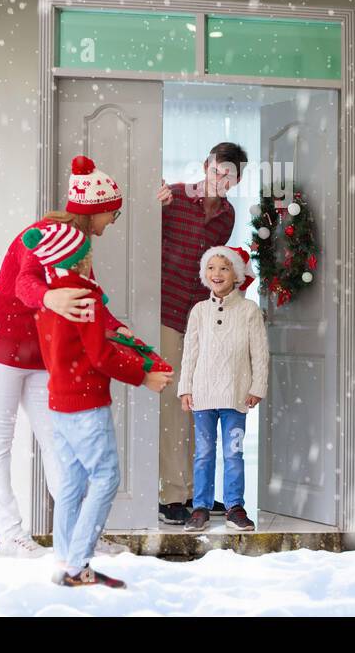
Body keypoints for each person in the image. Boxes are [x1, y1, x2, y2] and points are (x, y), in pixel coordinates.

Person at [0, 155, 133, 558]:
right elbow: (24, 282)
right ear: (96, 211)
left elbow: (89, 295)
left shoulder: (80, 245)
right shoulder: (42, 234)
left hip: (38, 355)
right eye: (114, 213)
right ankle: (10, 536)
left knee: (62, 445)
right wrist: (49, 297)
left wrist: (117, 329)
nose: (113, 221)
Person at [29, 222, 173, 587]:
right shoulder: (85, 296)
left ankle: (64, 557)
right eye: (86, 251)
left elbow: (76, 344)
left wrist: (114, 333)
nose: (92, 253)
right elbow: (100, 356)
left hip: (59, 404)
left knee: (72, 481)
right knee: (106, 478)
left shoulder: (52, 298)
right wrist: (144, 374)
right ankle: (78, 566)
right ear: (80, 260)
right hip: (86, 406)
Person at [155, 141, 248, 524]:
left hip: (200, 318)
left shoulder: (227, 215)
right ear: (204, 167)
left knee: (201, 402)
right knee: (173, 407)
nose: (221, 179)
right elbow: (145, 239)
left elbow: (212, 268)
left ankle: (198, 494)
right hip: (165, 312)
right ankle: (170, 494)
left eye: (230, 175)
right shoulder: (174, 197)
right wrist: (152, 205)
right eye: (217, 171)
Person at [178, 245, 267, 532]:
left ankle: (234, 507)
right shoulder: (200, 311)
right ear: (205, 274)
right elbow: (190, 352)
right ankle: (200, 507)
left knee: (233, 452)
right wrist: (185, 388)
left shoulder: (249, 311)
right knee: (203, 452)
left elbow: (260, 353)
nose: (217, 273)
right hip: (202, 395)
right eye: (212, 268)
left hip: (236, 394)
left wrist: (257, 386)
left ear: (237, 275)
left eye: (224, 268)